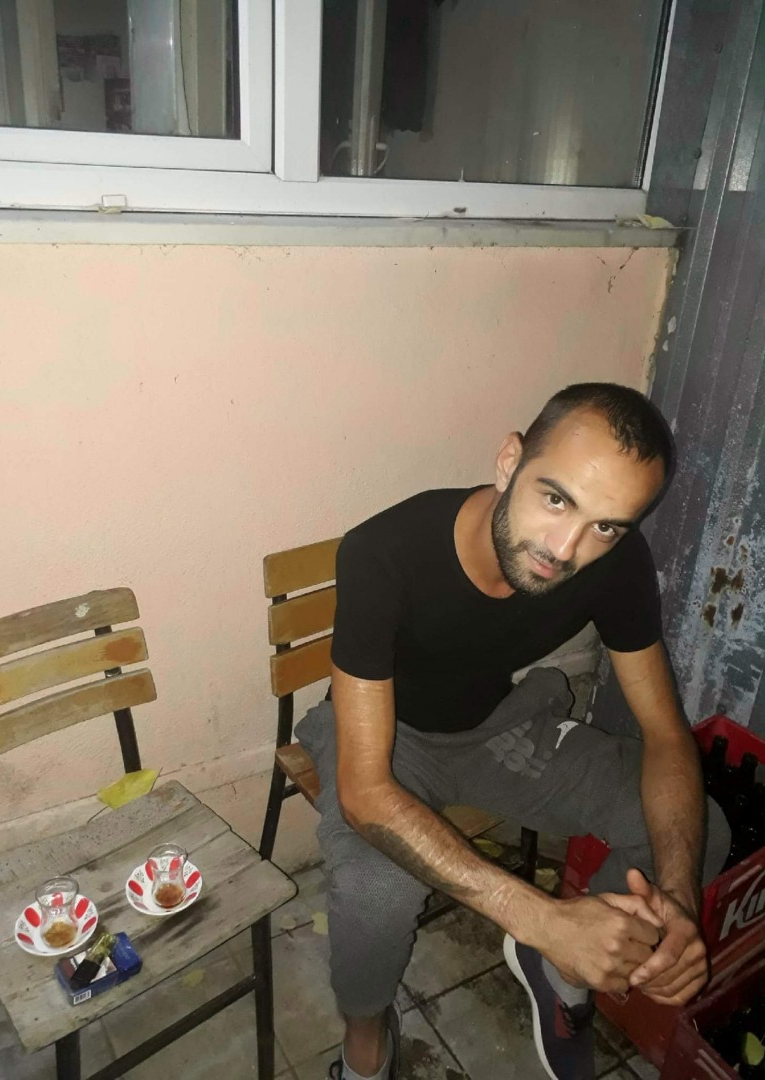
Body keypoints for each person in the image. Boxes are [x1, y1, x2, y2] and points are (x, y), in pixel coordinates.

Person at [295, 383, 730, 1080]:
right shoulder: (385, 551)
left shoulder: (613, 563)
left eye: (606, 526)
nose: (565, 548)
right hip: (381, 737)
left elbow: (666, 736)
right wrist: (539, 916)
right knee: (376, 892)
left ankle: (560, 971)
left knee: (695, 825)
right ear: (508, 462)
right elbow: (366, 792)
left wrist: (676, 900)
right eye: (555, 499)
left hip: (495, 729)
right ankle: (366, 1037)